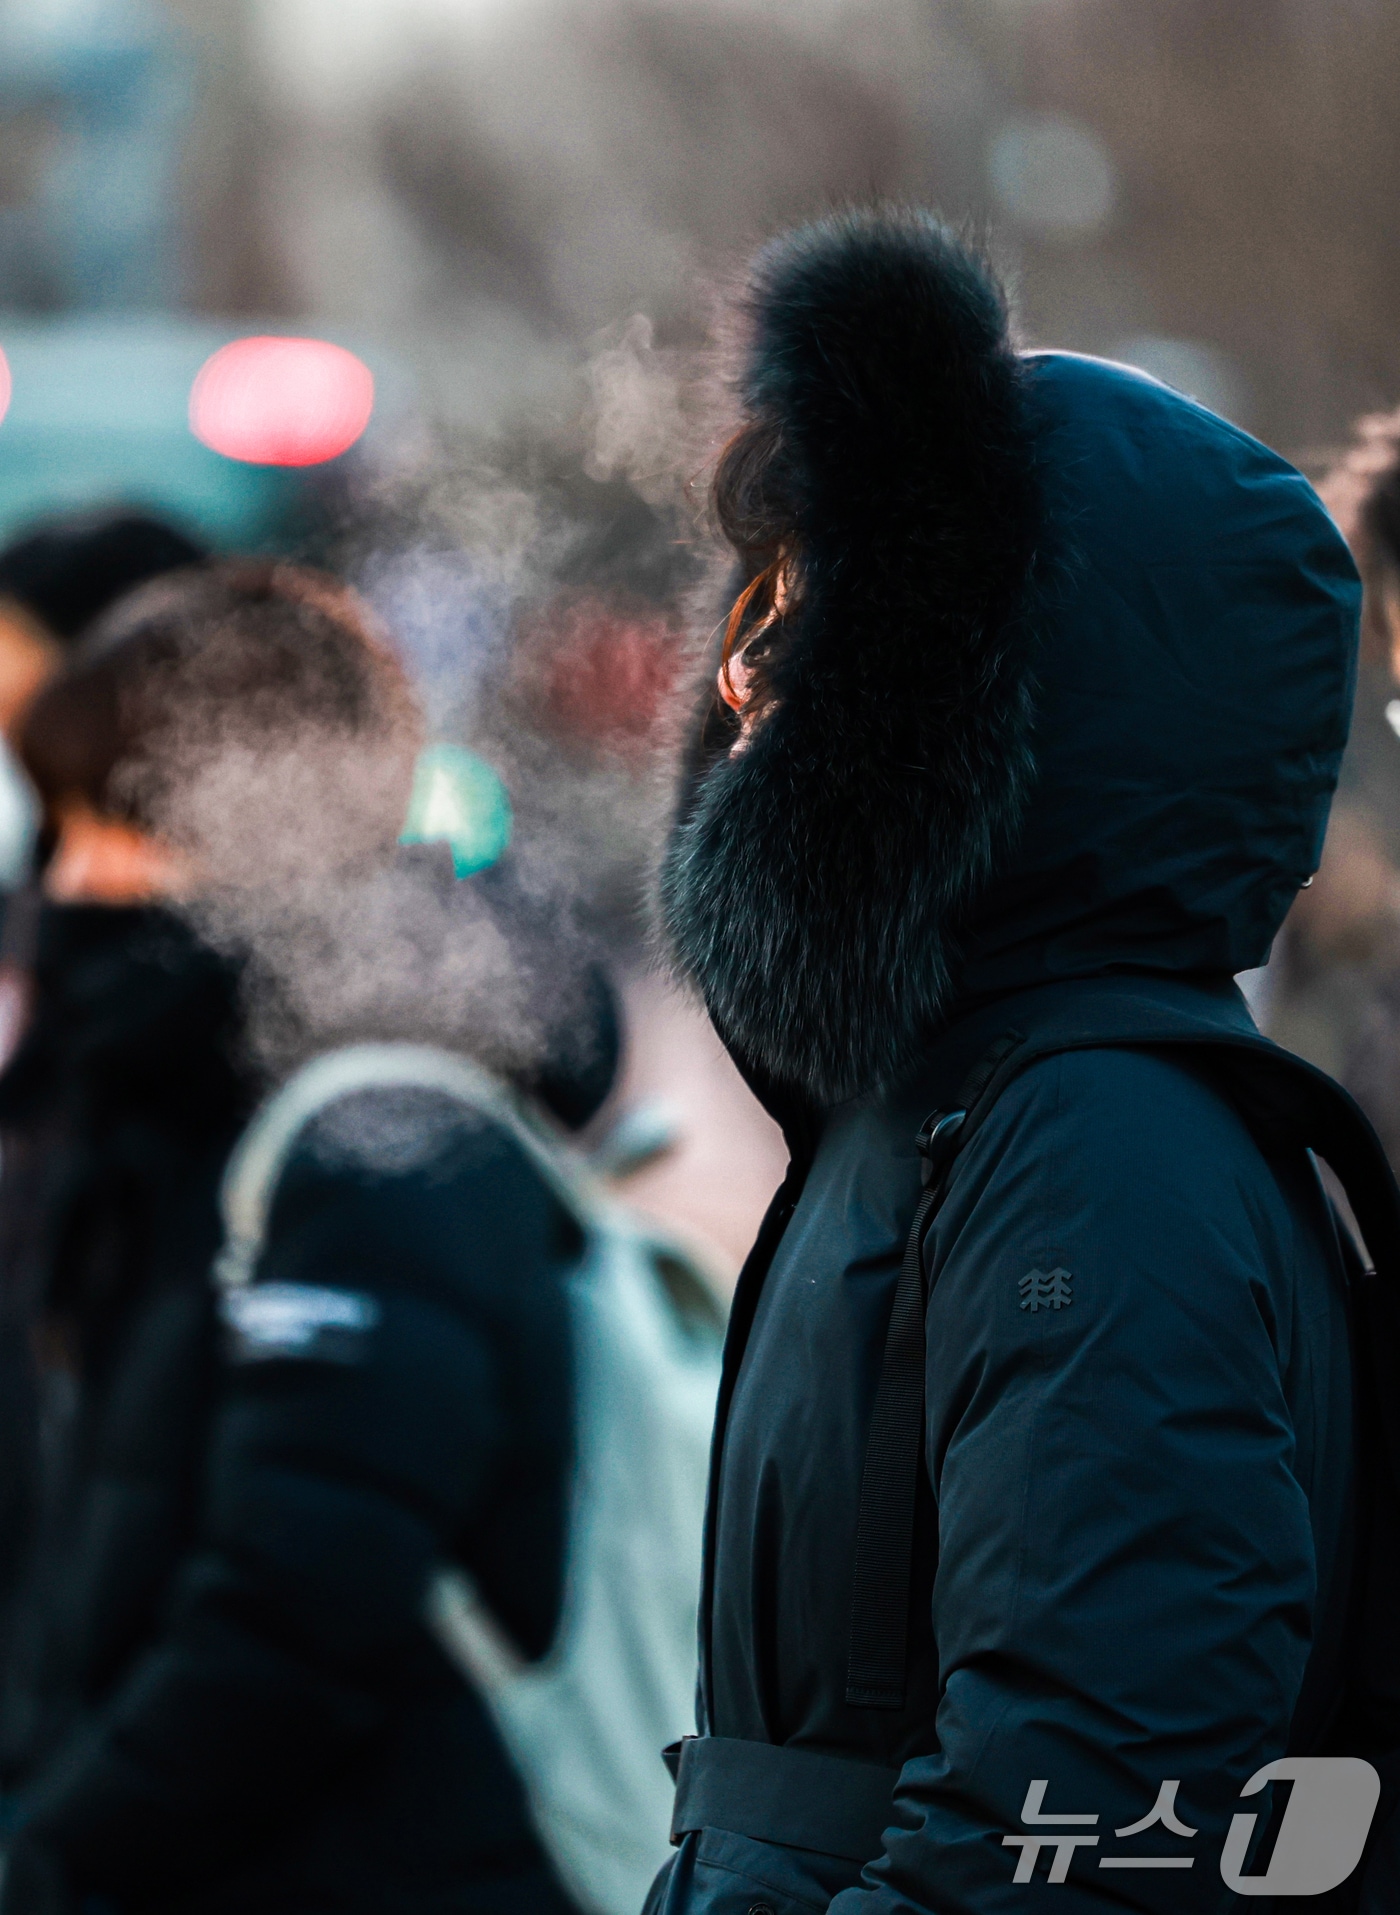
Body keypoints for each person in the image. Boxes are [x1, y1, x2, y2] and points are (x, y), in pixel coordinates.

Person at [648, 209, 1387, 1911]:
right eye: (758, 600)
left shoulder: (1093, 1144)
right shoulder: (968, 1100)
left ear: (982, 693)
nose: (747, 673)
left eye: (815, 608)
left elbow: (1082, 1815)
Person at [0, 562, 613, 1915]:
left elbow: (300, 1612)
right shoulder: (178, 1099)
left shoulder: (379, 1129)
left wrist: (54, 1852)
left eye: (107, 819)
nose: (69, 873)